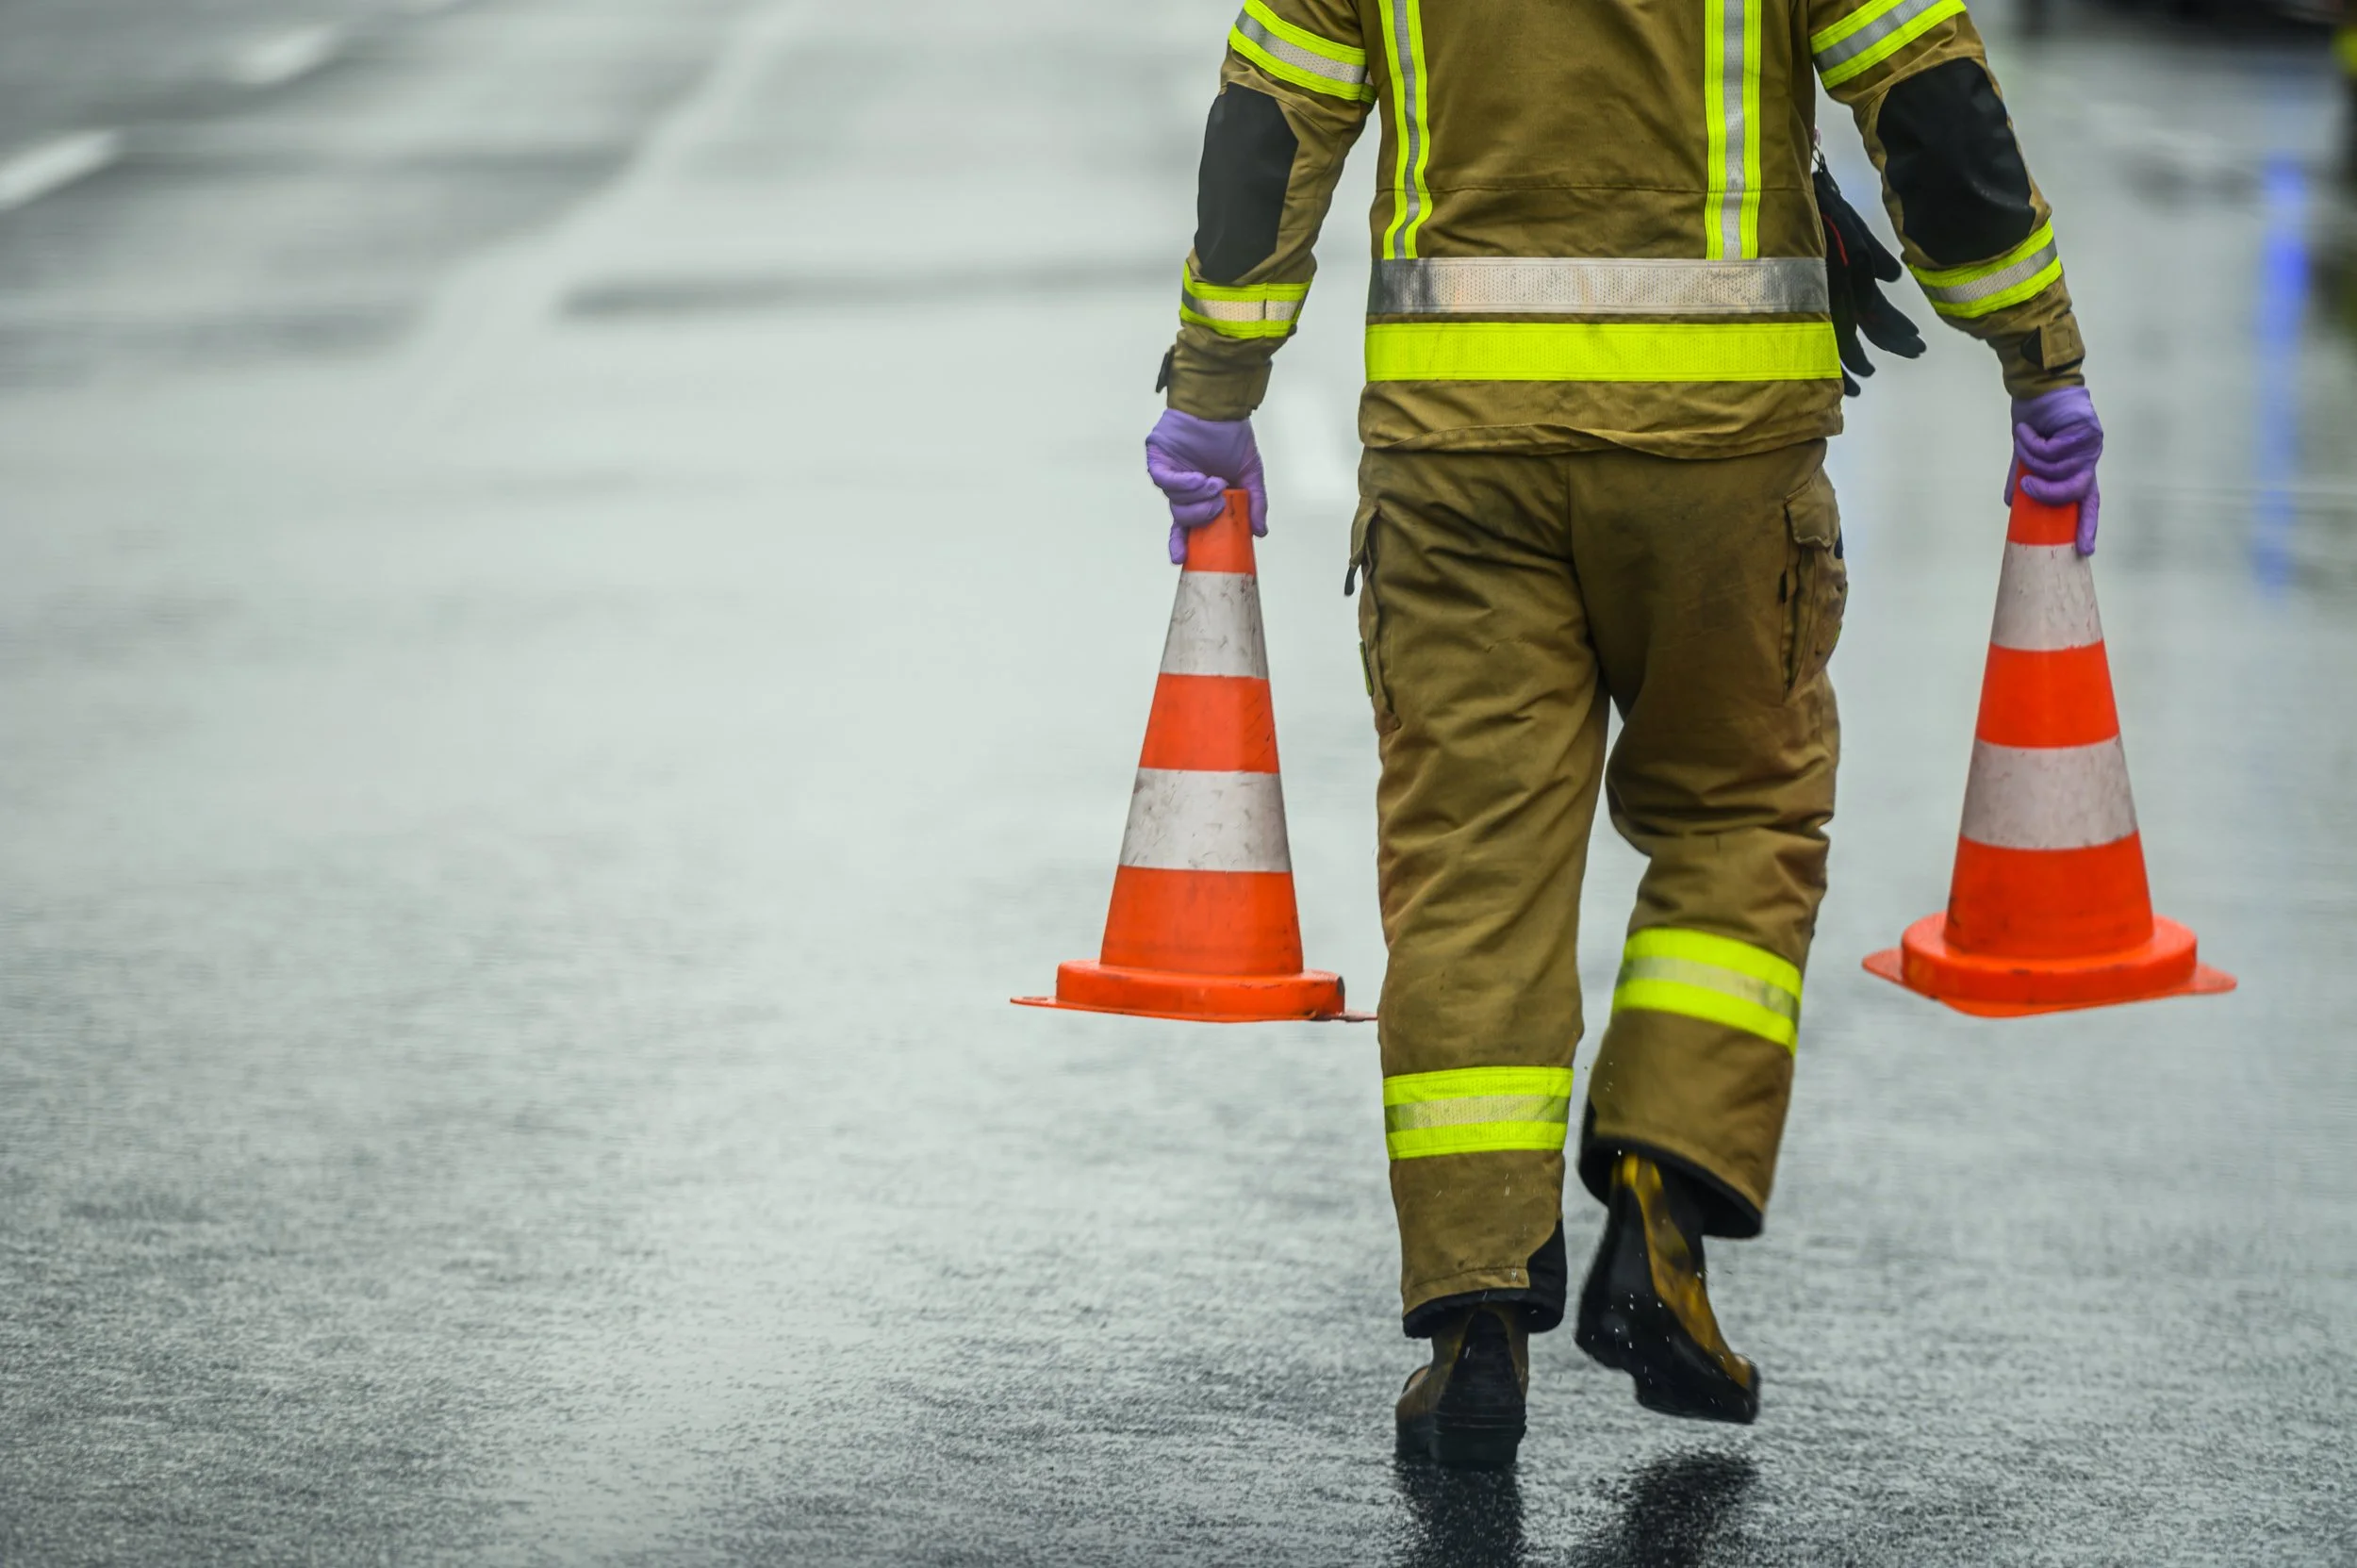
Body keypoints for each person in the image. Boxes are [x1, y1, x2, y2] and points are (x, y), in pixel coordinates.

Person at [1143, 0, 2103, 1468]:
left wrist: (1216, 385)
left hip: (1457, 456)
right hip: (1719, 456)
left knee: (1470, 868)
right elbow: (1926, 98)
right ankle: (1663, 1186)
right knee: (1738, 817)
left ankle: (1475, 1324)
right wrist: (2039, 355)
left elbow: (1274, 128)